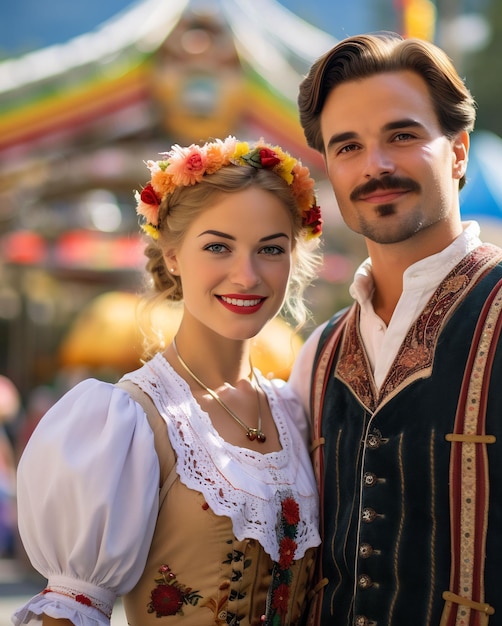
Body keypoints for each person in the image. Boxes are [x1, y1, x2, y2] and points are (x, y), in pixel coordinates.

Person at [288, 31, 502, 626]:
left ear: (459, 150)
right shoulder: (317, 355)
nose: (376, 165)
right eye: (348, 147)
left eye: (402, 134)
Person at [13, 136, 324, 626]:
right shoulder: (129, 420)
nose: (246, 275)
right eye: (218, 246)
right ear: (173, 255)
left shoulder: (296, 408)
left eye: (270, 249)